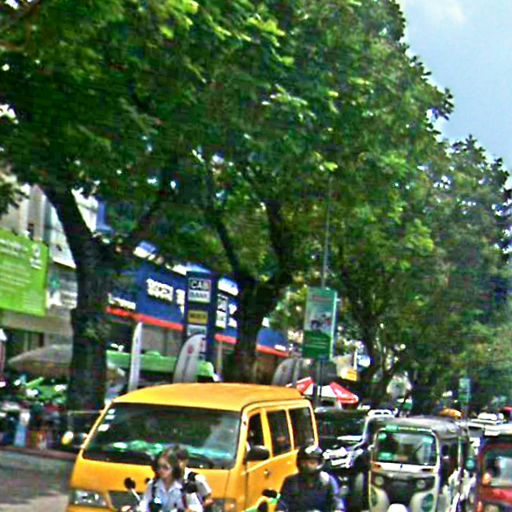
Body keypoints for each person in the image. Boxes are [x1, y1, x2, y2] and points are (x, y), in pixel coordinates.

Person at [277, 446, 345, 512]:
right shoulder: (291, 481)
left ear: (319, 463)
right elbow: (282, 503)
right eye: (303, 462)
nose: (307, 466)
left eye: (312, 463)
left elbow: (337, 503)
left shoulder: (328, 480)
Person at [138, 448, 203, 512]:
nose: (161, 470)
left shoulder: (185, 487)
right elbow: (144, 504)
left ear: (174, 468)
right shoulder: (153, 485)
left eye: (165, 467)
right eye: (159, 467)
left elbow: (196, 508)